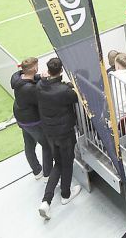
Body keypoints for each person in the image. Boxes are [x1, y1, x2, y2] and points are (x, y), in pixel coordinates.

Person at [37, 58, 81, 219]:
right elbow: (75, 97)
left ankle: (46, 200)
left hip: (50, 132)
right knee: (67, 163)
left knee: (59, 163)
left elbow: (41, 80)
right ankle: (65, 194)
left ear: (47, 70)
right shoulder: (62, 91)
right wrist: (69, 85)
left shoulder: (40, 86)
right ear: (61, 71)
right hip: (64, 133)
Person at [12, 57, 52, 181]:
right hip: (32, 121)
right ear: (34, 68)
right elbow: (42, 100)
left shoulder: (16, 78)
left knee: (29, 145)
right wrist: (45, 82)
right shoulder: (30, 89)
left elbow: (29, 77)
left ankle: (36, 171)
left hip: (21, 118)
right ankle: (48, 175)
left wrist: (40, 77)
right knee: (47, 146)